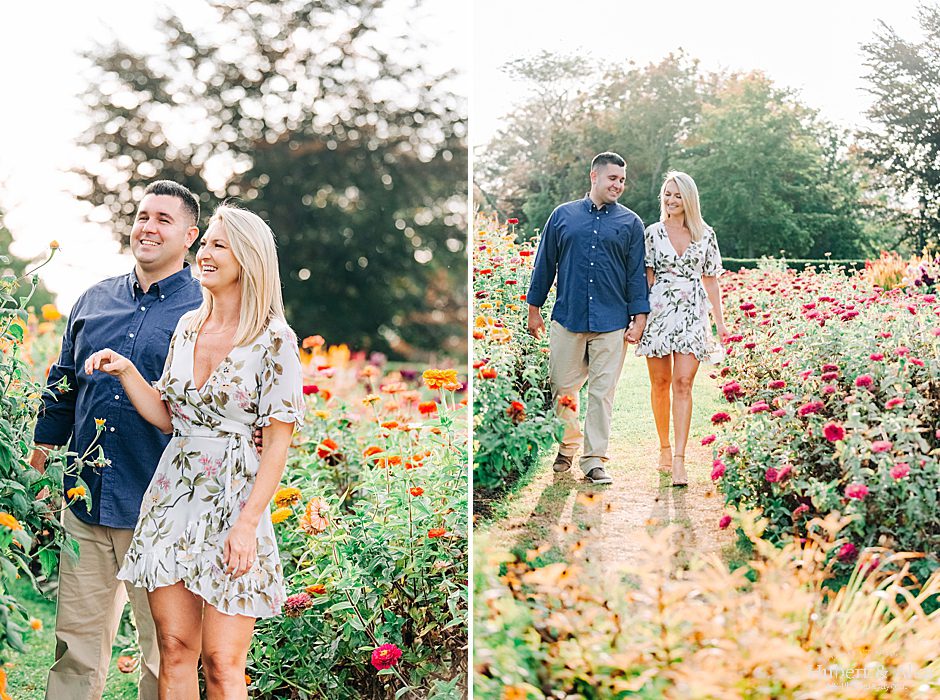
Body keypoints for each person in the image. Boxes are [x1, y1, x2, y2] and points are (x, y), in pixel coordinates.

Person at [85, 204, 304, 699]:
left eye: (218, 245)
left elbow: (278, 444)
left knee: (223, 663)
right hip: (173, 500)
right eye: (205, 243)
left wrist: (248, 524)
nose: (204, 252)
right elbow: (170, 417)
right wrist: (127, 371)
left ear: (248, 259)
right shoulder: (187, 327)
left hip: (235, 505)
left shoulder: (274, 340)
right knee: (175, 648)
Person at [31, 180, 203, 700]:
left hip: (162, 508)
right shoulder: (94, 299)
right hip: (85, 499)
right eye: (142, 216)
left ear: (190, 236)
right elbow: (62, 387)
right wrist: (38, 466)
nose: (148, 227)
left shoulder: (204, 309)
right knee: (75, 646)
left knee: (165, 652)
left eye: (164, 220)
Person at [526, 152, 650, 485]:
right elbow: (544, 264)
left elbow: (636, 275)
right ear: (594, 176)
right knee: (563, 387)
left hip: (612, 322)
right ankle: (567, 447)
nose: (618, 185)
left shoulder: (631, 223)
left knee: (602, 393)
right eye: (613, 178)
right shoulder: (562, 216)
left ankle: (594, 460)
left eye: (622, 180)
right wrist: (534, 309)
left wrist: (639, 317)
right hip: (568, 317)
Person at [636, 171, 729, 486]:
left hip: (692, 314)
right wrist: (639, 318)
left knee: (684, 383)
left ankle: (679, 459)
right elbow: (647, 279)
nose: (671, 200)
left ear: (689, 199)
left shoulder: (706, 234)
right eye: (667, 194)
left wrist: (720, 323)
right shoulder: (652, 233)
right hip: (659, 313)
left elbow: (711, 280)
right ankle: (664, 447)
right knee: (660, 383)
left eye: (677, 195)